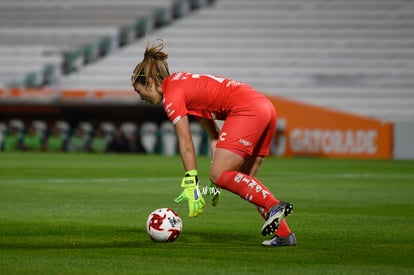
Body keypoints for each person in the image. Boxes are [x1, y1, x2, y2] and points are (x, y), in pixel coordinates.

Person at [131, 40, 296, 247]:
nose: (141, 98)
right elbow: (214, 135)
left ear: (151, 83)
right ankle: (284, 235)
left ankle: (274, 206)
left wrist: (191, 183)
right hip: (264, 107)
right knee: (244, 180)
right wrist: (216, 177)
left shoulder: (171, 96)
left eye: (140, 92)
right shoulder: (182, 83)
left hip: (247, 110)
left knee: (221, 175)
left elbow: (186, 143)